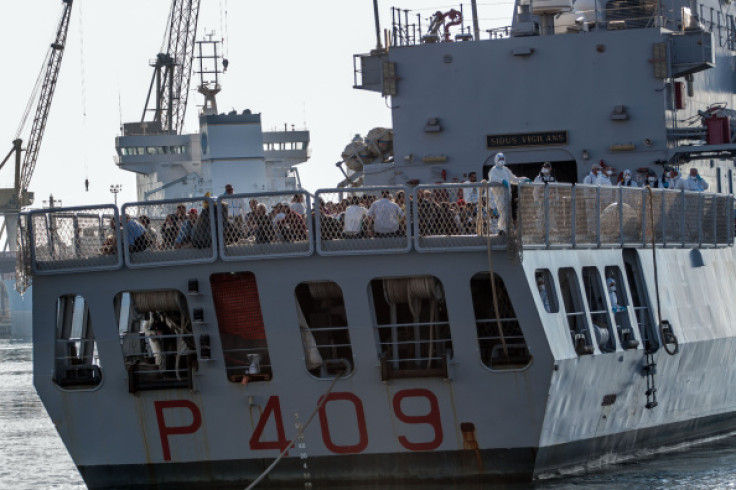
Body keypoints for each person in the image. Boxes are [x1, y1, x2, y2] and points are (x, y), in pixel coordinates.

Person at [488, 152, 518, 235]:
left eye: (502, 159)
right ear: (496, 160)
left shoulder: (506, 170)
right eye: (500, 159)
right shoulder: (493, 170)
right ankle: (501, 229)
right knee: (502, 213)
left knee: (507, 213)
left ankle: (504, 229)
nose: (501, 161)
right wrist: (501, 181)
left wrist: (522, 180)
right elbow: (493, 178)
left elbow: (513, 179)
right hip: (499, 195)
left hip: (507, 195)